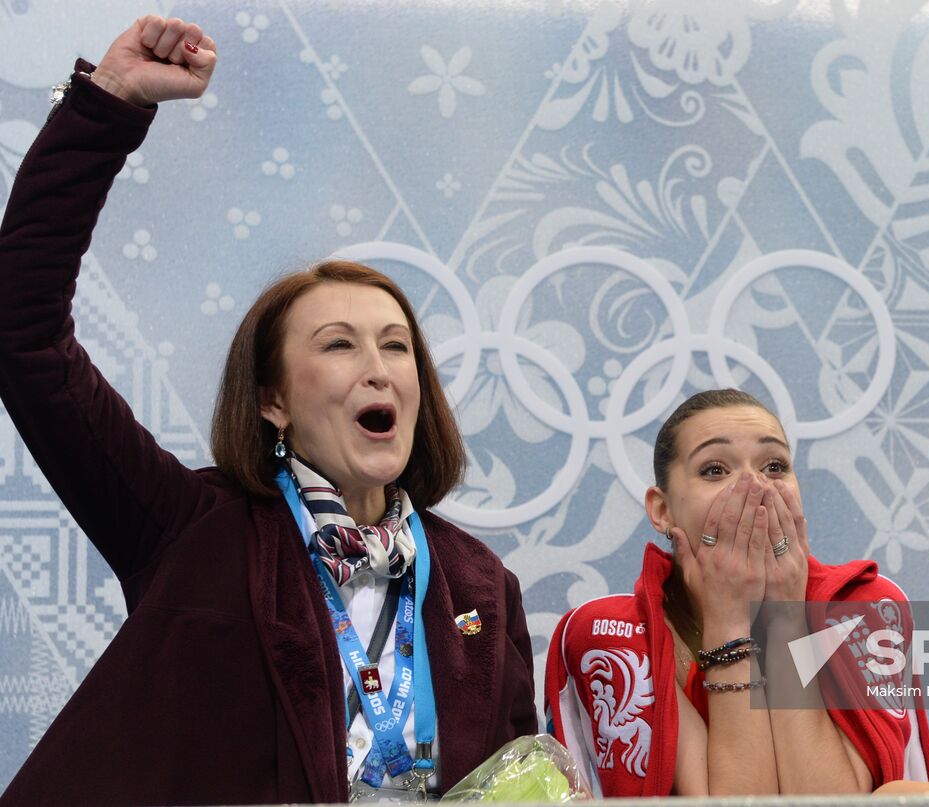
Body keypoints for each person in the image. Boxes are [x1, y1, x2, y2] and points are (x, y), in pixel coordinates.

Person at [0, 17, 534, 805]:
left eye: (397, 346)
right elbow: (25, 330)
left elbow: (513, 780)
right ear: (273, 400)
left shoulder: (480, 584)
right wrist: (105, 106)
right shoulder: (188, 526)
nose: (379, 368)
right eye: (341, 345)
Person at [543, 389, 929, 796]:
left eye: (774, 465)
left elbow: (832, 801)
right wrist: (728, 622)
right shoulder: (612, 632)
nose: (754, 485)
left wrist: (785, 617)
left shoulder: (863, 606)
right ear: (661, 510)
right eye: (715, 470)